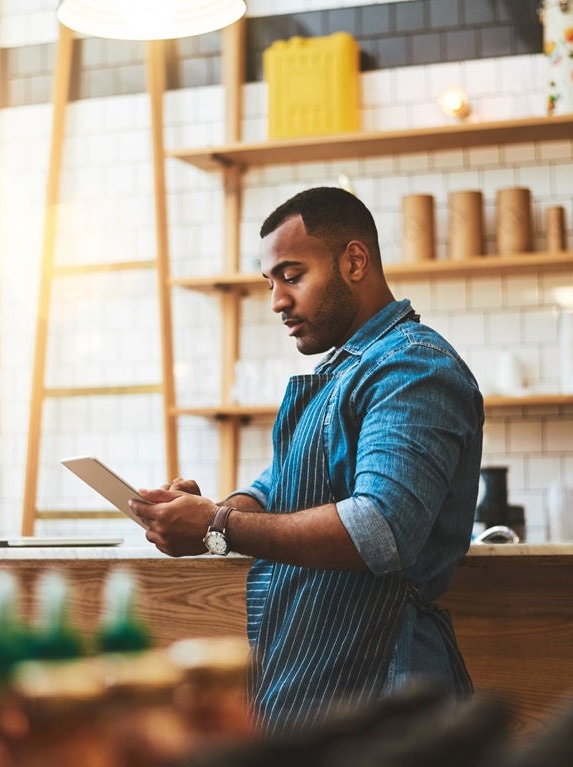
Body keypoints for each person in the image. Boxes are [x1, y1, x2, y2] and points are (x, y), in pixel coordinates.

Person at [130, 186, 484, 734]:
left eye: (292, 275)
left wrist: (220, 526)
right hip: (314, 683)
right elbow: (277, 490)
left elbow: (382, 528)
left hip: (387, 687)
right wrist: (209, 511)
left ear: (354, 260)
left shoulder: (413, 368)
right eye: (270, 283)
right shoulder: (345, 371)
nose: (276, 301)